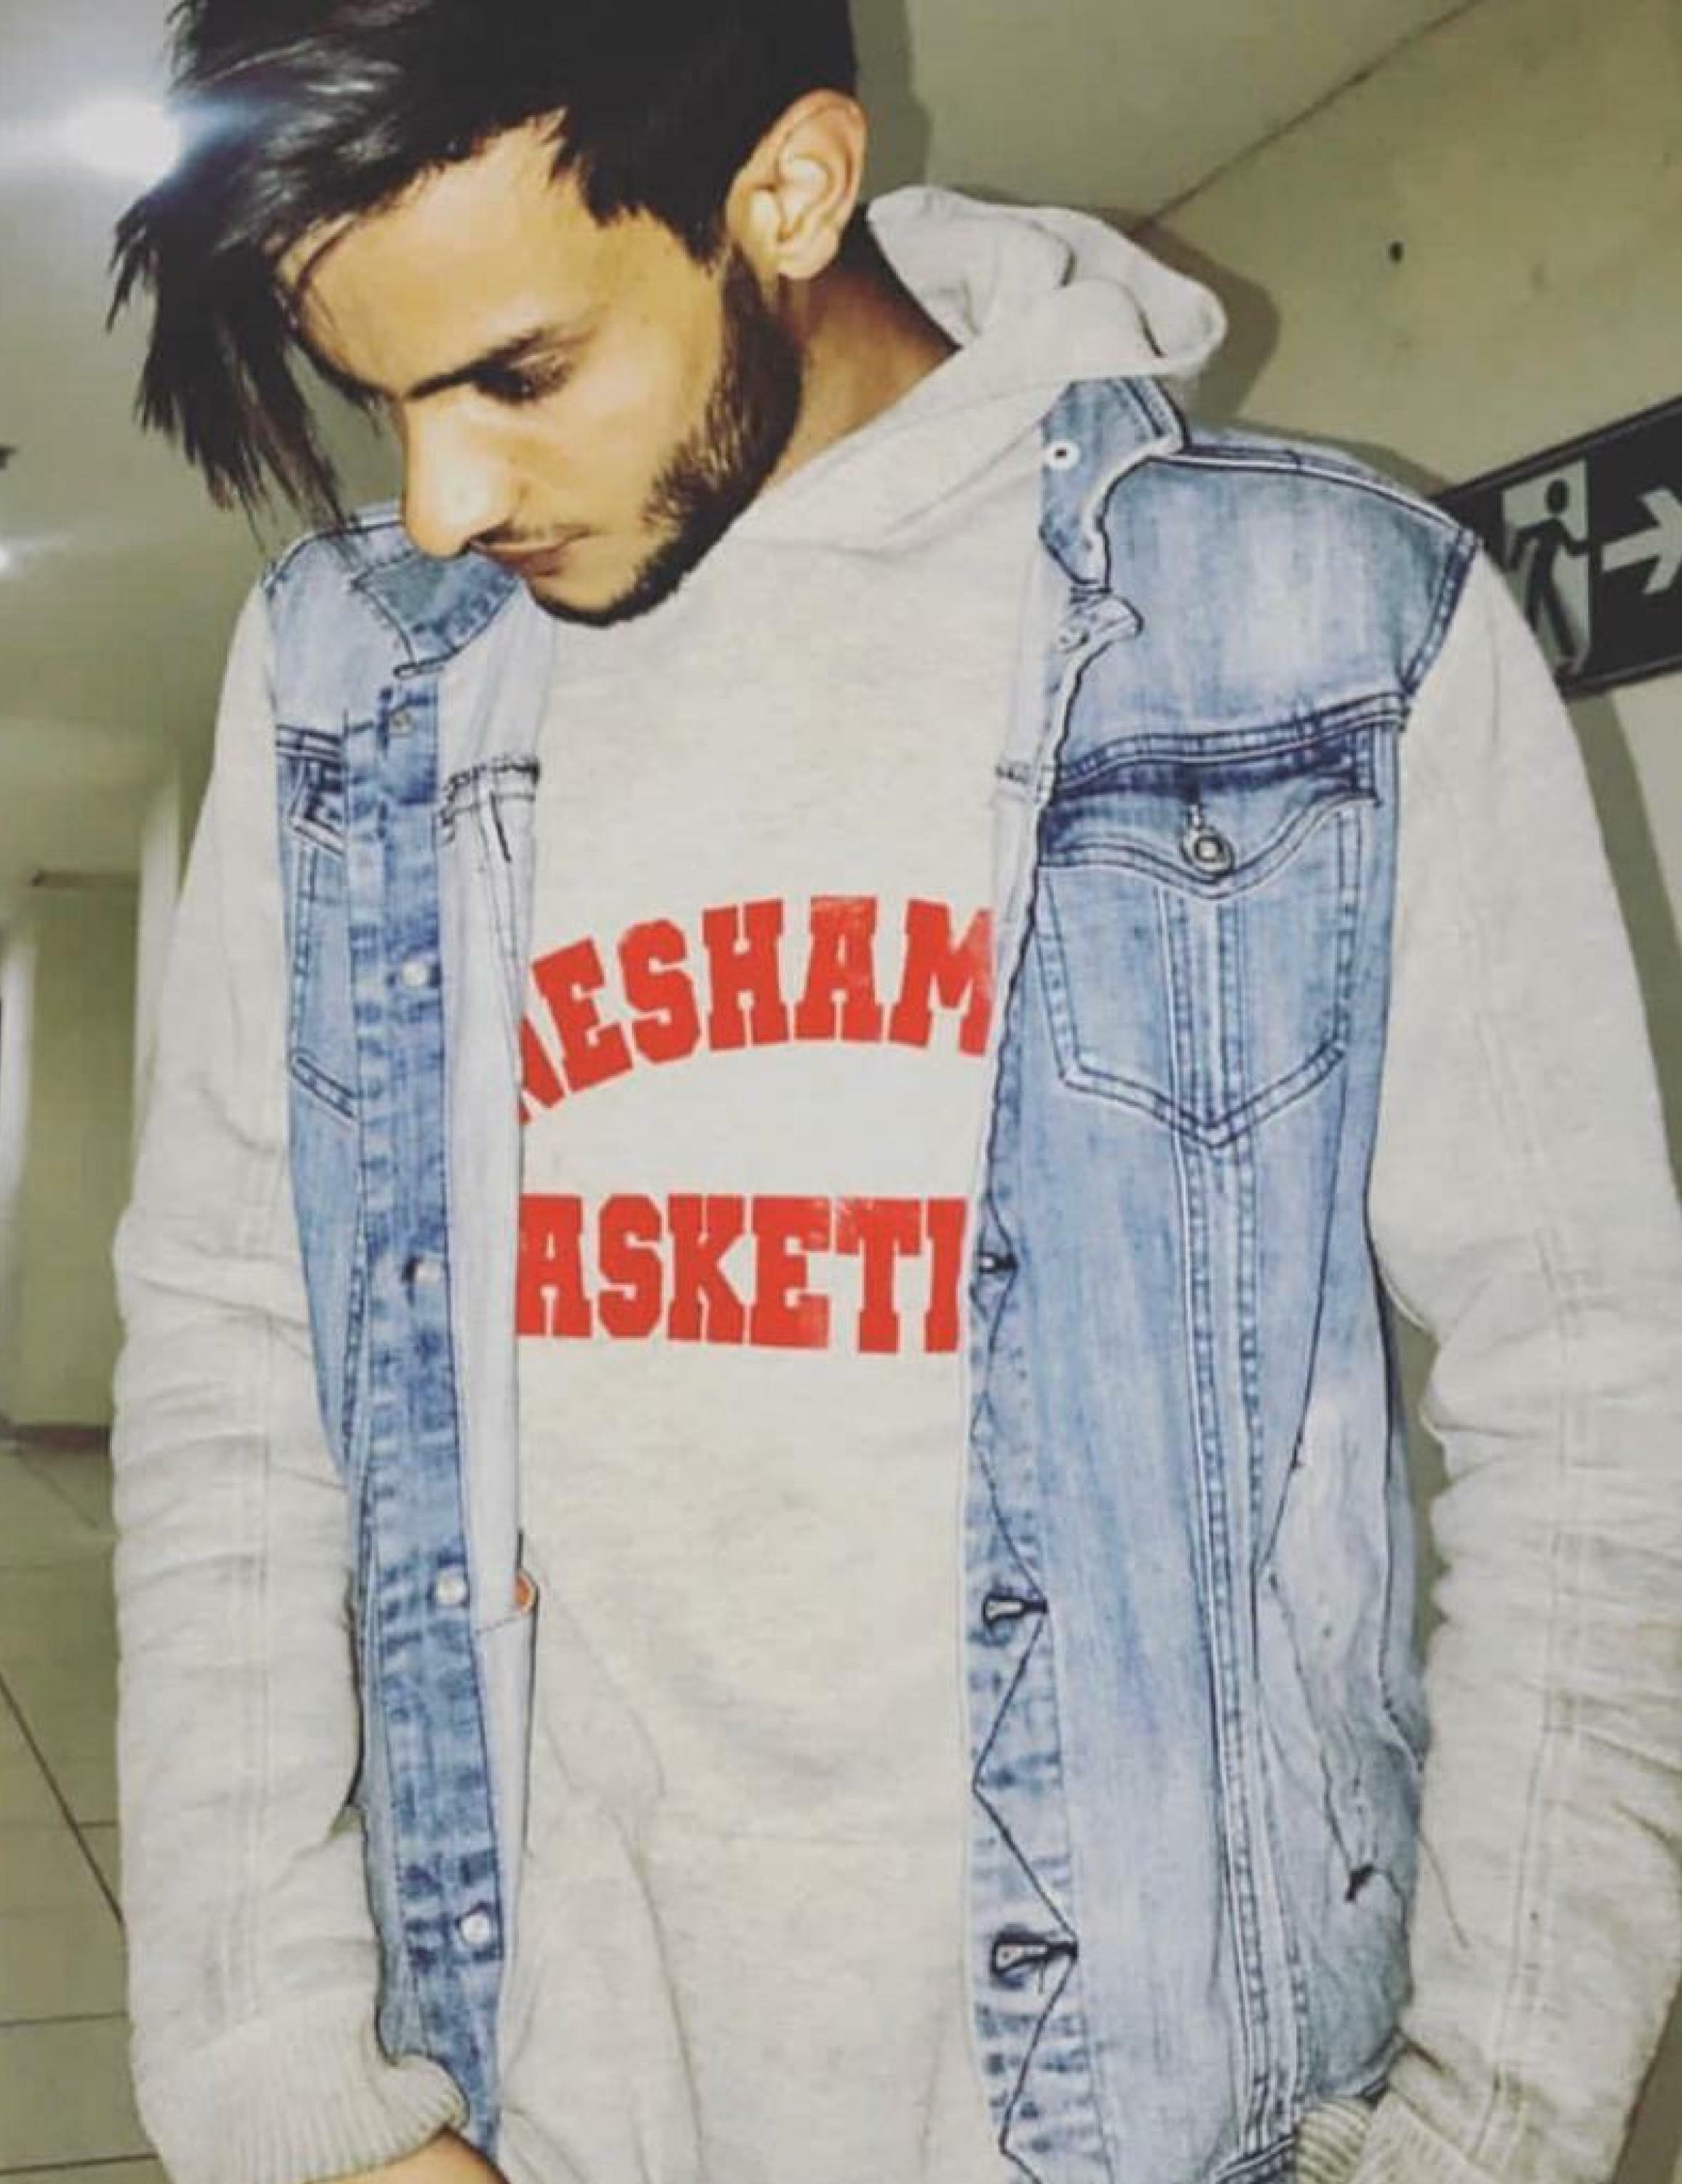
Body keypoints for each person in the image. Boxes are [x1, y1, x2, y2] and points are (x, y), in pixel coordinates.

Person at [106, 7, 1682, 2184]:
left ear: (789, 190)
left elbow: (1594, 1409)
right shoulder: (350, 686)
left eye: (519, 375)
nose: (441, 502)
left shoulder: (1322, 629)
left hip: (1166, 2104)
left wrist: (1492, 2131)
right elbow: (237, 1374)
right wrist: (284, 2089)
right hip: (528, 2095)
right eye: (383, 401)